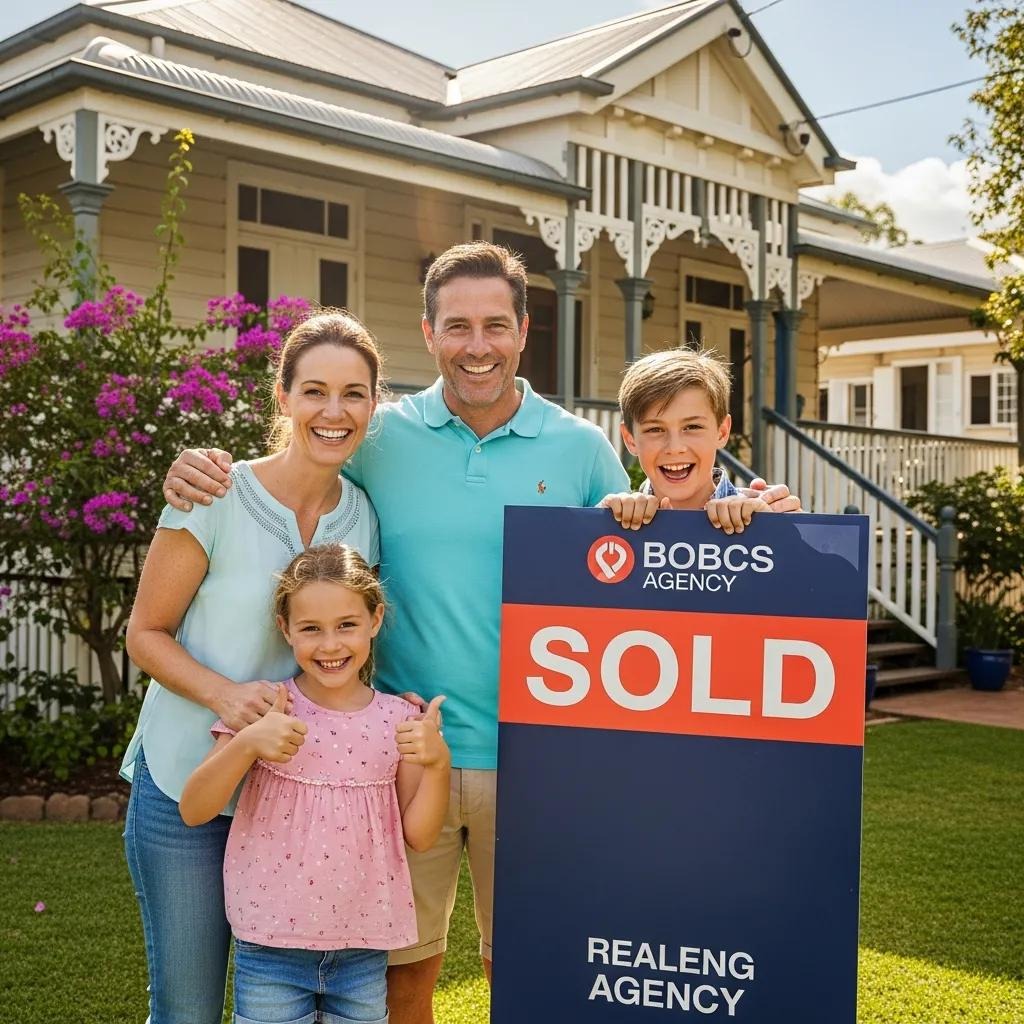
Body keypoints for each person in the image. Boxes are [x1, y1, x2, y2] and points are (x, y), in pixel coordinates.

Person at [161, 242, 801, 1024]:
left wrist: (749, 514)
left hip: (539, 761)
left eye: (496, 324)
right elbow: (300, 457)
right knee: (402, 982)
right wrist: (201, 467)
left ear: (524, 330)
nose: (478, 345)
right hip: (399, 758)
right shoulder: (381, 437)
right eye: (458, 326)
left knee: (527, 979)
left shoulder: (579, 448)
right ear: (428, 334)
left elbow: (658, 552)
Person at [122, 311, 385, 1024]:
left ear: (373, 404)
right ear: (283, 396)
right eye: (316, 391)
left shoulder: (363, 514)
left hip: (297, 803)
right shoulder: (212, 494)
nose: (335, 412)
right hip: (188, 789)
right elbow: (144, 632)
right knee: (190, 1008)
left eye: (355, 394)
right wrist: (224, 696)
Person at [179, 544, 450, 1024]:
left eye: (347, 624)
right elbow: (195, 808)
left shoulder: (399, 719)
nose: (330, 646)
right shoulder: (267, 708)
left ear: (375, 619)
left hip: (364, 948)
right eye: (311, 629)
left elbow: (422, 836)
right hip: (270, 947)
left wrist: (438, 763)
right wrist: (247, 744)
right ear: (285, 629)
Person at [601, 347, 772, 534]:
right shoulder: (612, 525)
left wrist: (779, 532)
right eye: (655, 429)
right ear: (630, 439)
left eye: (692, 427)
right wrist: (594, 526)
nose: (675, 448)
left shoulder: (764, 518)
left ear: (722, 432)